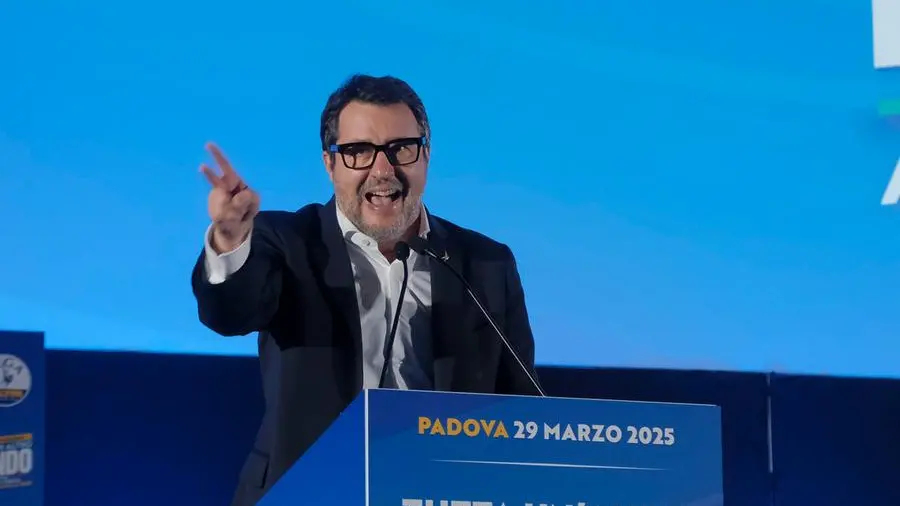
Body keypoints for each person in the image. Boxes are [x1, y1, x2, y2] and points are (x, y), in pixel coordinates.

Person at [190, 74, 541, 506]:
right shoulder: (286, 241)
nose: (382, 170)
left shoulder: (485, 264)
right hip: (308, 493)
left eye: (401, 148)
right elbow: (230, 313)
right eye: (358, 151)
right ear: (329, 163)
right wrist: (229, 238)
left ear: (426, 155)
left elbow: (523, 410)